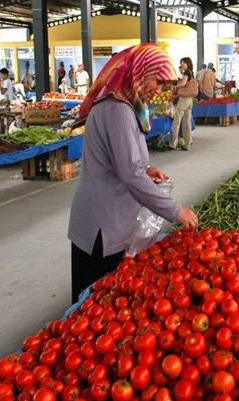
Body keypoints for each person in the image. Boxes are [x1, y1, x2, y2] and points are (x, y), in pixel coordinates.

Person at [68, 44, 198, 302]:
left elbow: (124, 161)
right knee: (95, 302)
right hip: (101, 225)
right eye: (156, 82)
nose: (158, 90)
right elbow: (130, 174)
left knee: (101, 302)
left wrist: (146, 168)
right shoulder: (118, 110)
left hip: (108, 217)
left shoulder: (126, 105)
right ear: (139, 73)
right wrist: (176, 211)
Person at [170, 57, 197, 151]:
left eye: (182, 63)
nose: (181, 64)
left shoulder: (187, 72)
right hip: (190, 100)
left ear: (187, 63)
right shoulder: (191, 72)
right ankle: (187, 144)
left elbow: (183, 84)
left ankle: (173, 143)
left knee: (176, 122)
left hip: (184, 99)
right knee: (187, 123)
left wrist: (174, 86)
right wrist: (181, 70)